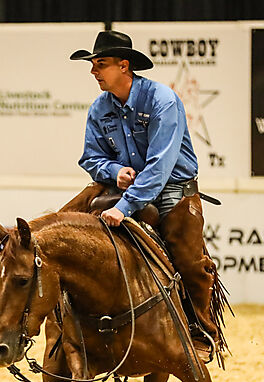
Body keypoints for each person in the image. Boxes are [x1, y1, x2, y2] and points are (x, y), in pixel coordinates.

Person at [63, 30, 222, 356]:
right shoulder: (99, 109)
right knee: (66, 227)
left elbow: (160, 166)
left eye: (100, 64)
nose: (93, 71)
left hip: (173, 190)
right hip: (123, 186)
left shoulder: (162, 100)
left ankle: (202, 331)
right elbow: (90, 158)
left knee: (188, 261)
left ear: (124, 66)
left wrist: (124, 206)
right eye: (93, 64)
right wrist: (114, 172)